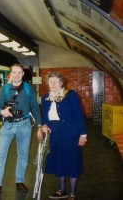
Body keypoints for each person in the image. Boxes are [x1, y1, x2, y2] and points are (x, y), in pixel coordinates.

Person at [0, 63, 43, 195]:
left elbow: (34, 107)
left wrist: (39, 125)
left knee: (23, 155)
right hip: (8, 126)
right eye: (14, 72)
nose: (16, 75)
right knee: (0, 154)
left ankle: (19, 181)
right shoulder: (5, 89)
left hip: (24, 125)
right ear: (10, 74)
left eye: (19, 72)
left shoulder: (29, 89)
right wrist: (2, 111)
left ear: (23, 74)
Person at [40, 72, 87, 200]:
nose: (53, 84)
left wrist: (83, 134)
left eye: (56, 81)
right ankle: (62, 190)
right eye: (51, 81)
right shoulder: (45, 98)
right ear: (48, 83)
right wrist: (43, 125)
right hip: (54, 135)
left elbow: (79, 116)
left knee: (72, 162)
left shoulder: (71, 96)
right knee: (58, 162)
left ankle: (72, 193)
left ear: (62, 83)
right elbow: (45, 117)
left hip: (71, 135)